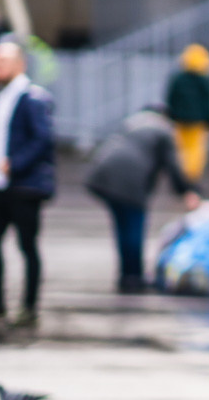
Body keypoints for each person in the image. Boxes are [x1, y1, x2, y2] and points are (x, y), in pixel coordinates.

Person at [0, 40, 56, 329]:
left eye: (1, 62)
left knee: (27, 246)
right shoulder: (3, 97)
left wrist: (15, 163)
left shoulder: (33, 98)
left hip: (24, 185)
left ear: (20, 64)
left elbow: (42, 139)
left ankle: (29, 307)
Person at [84, 106, 202, 293]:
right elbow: (173, 167)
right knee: (133, 228)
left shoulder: (134, 121)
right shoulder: (164, 130)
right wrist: (188, 190)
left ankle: (127, 275)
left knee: (122, 226)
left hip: (102, 174)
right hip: (128, 179)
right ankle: (133, 277)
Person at [165, 43, 209, 185]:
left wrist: (172, 114)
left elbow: (171, 97)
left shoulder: (178, 78)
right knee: (196, 149)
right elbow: (208, 101)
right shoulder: (204, 79)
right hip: (197, 120)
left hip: (180, 119)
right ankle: (192, 176)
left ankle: (181, 174)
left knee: (181, 148)